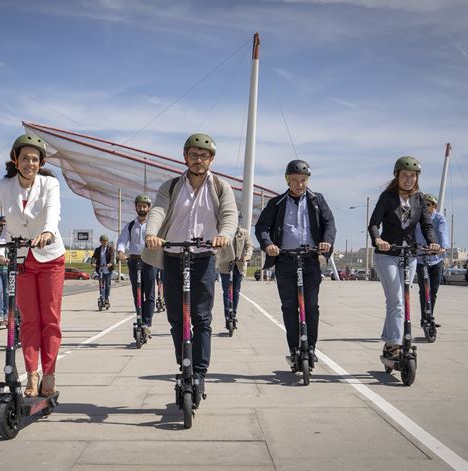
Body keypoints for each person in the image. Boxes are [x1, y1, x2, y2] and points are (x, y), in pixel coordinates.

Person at [143, 132, 237, 395]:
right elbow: (158, 210)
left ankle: (199, 372)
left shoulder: (220, 186)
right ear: (185, 157)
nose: (198, 160)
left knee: (201, 317)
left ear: (211, 159)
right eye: (194, 155)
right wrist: (151, 233)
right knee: (176, 317)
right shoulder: (171, 186)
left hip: (205, 256)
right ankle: (184, 365)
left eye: (204, 156)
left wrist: (224, 236)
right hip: (173, 255)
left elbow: (229, 215)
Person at [0, 134, 66, 398]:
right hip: (21, 257)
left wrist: (48, 231)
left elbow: (53, 211)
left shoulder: (50, 183)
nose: (29, 163)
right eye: (24, 158)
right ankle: (32, 374)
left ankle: (49, 373)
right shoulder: (5, 185)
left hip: (49, 256)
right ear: (15, 160)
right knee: (28, 320)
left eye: (35, 159)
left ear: (41, 162)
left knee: (50, 319)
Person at [254, 159, 335, 362]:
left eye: (303, 180)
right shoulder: (276, 203)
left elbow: (329, 223)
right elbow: (262, 227)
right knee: (289, 306)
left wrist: (326, 241)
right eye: (295, 180)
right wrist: (269, 245)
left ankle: (311, 347)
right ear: (287, 180)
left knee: (311, 306)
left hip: (309, 259)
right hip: (285, 260)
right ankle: (294, 348)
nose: (300, 184)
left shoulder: (317, 200)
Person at [368, 156, 440, 360]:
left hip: (409, 255)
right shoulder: (387, 197)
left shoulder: (419, 199)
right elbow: (373, 224)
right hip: (387, 255)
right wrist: (378, 239)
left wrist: (433, 242)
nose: (409, 179)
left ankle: (390, 341)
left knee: (400, 301)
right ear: (397, 176)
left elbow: (426, 225)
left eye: (413, 176)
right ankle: (394, 345)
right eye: (405, 175)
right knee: (397, 301)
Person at [116, 194, 158, 332]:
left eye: (144, 206)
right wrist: (121, 252)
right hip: (134, 261)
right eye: (139, 206)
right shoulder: (130, 226)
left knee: (150, 293)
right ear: (136, 207)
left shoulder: (154, 225)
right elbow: (122, 240)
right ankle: (139, 318)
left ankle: (147, 322)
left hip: (150, 260)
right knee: (137, 292)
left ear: (149, 208)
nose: (142, 208)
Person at [415, 193, 448, 321]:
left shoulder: (439, 218)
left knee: (433, 291)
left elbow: (442, 232)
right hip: (421, 258)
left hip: (436, 259)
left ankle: (430, 315)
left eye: (428, 205)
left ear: (434, 206)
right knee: (424, 290)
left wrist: (442, 247)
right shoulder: (418, 219)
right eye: (423, 205)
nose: (425, 207)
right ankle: (424, 318)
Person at [218, 219, 254, 331]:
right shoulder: (222, 232)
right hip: (225, 264)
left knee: (236, 290)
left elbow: (249, 246)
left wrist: (247, 256)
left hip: (239, 264)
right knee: (227, 291)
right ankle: (227, 315)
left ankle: (233, 314)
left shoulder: (244, 232)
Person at [91, 234, 114, 307]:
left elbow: (112, 257)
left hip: (108, 270)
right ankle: (102, 297)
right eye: (104, 241)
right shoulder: (98, 249)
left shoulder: (110, 248)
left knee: (107, 285)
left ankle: (106, 298)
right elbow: (94, 257)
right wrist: (93, 262)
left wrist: (110, 263)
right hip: (100, 269)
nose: (105, 242)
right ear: (101, 241)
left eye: (106, 241)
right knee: (101, 285)